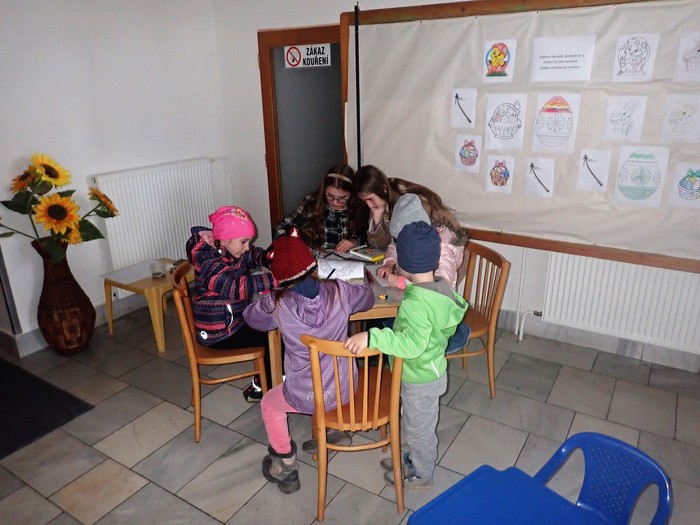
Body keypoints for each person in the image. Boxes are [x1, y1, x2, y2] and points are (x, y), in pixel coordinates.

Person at [243, 229, 375, 494]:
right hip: (344, 389)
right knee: (326, 380)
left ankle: (285, 466)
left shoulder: (278, 304)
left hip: (304, 393)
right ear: (314, 264)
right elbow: (368, 298)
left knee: (270, 404)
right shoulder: (340, 291)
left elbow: (251, 318)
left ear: (279, 279)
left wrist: (271, 295)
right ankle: (334, 430)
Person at [344, 220, 468, 488]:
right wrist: (402, 284)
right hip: (430, 370)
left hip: (418, 378)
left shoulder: (416, 305)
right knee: (419, 423)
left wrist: (373, 336)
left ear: (404, 263)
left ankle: (422, 473)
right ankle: (415, 459)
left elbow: (412, 345)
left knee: (419, 429)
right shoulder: (439, 287)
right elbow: (424, 296)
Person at [186, 205, 277, 403]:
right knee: (273, 334)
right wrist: (274, 278)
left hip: (233, 321)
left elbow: (252, 254)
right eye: (244, 242)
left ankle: (272, 378)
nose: (247, 247)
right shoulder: (209, 263)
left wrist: (269, 257)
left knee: (272, 326)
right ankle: (263, 386)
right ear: (226, 240)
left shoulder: (229, 248)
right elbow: (235, 288)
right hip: (219, 333)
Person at [354, 165, 468, 289]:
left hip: (437, 288)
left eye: (370, 199)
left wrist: (403, 283)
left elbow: (438, 291)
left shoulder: (442, 249)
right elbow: (395, 245)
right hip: (417, 281)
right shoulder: (410, 233)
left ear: (383, 190)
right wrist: (389, 263)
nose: (368, 205)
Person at [273, 163, 368, 252]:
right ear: (324, 189)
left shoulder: (359, 206)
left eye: (342, 198)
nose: (335, 202)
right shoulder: (312, 203)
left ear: (352, 194)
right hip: (315, 260)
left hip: (349, 261)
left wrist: (354, 241)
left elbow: (366, 235)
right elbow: (281, 228)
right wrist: (293, 245)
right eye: (330, 196)